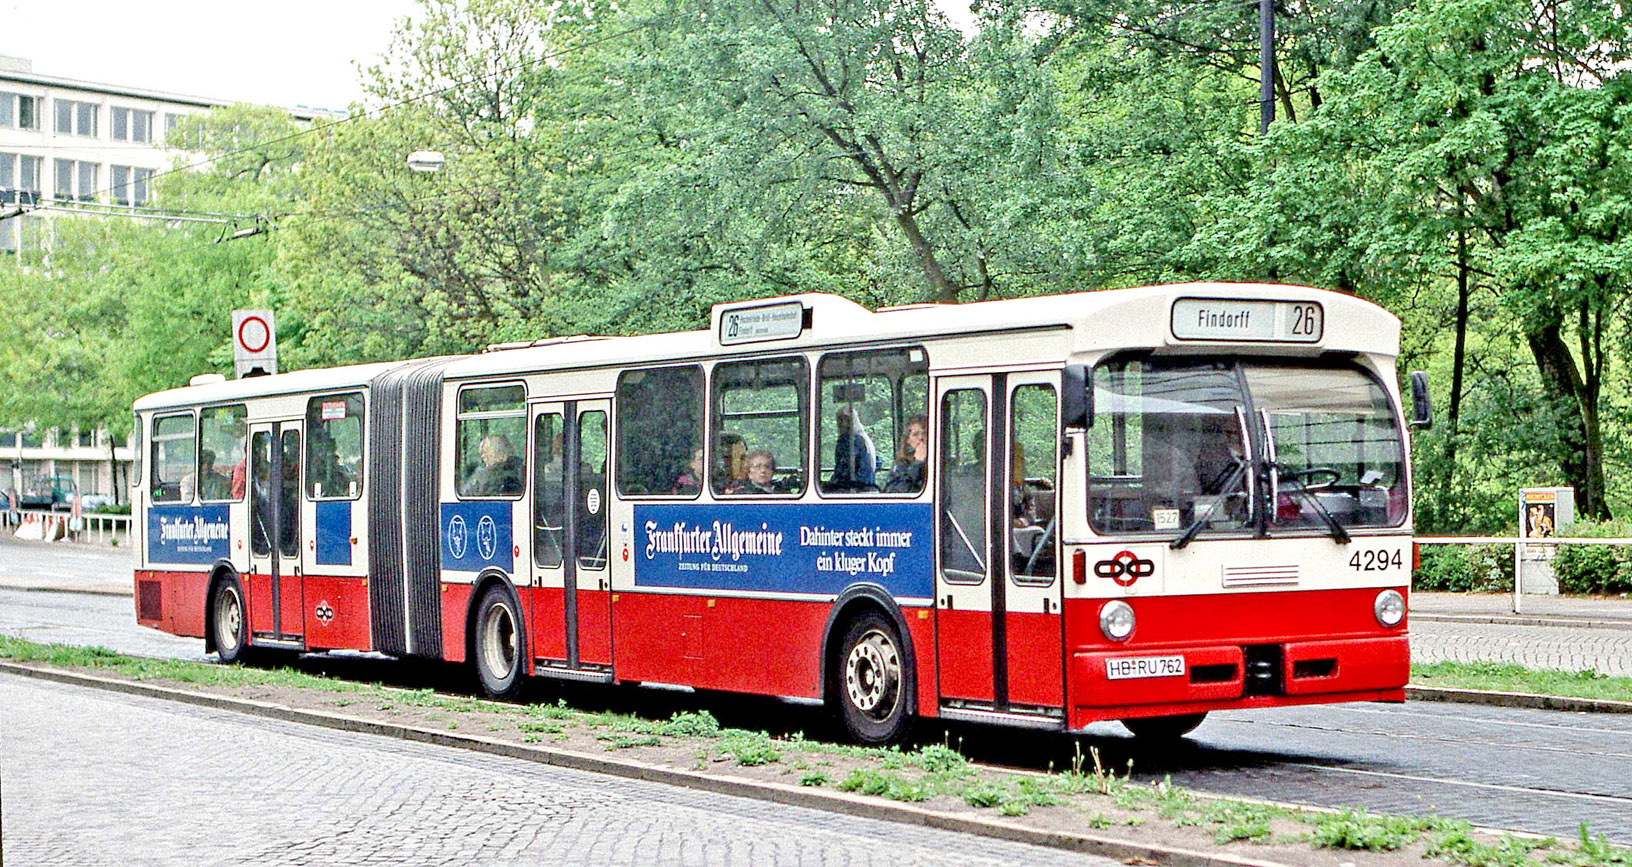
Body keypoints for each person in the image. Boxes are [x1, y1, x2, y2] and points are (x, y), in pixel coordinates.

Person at [829, 406, 877, 491]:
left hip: (859, 488)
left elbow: (844, 470)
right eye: (840, 420)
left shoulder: (853, 441)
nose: (843, 424)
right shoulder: (862, 437)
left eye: (847, 420)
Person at [883, 415, 928, 493]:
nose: (921, 438)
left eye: (924, 433)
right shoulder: (901, 464)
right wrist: (917, 463)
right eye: (915, 434)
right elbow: (897, 492)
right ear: (908, 440)